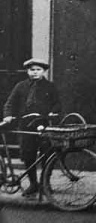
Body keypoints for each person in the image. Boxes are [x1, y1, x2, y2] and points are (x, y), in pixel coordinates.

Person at [3, 58, 61, 197]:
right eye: (32, 70)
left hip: (43, 124)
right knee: (28, 154)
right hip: (26, 125)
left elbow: (57, 103)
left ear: (44, 71)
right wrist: (8, 115)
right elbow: (10, 103)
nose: (35, 72)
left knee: (47, 153)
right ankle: (33, 183)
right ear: (28, 71)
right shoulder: (20, 86)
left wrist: (53, 112)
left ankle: (45, 183)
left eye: (38, 70)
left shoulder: (50, 87)